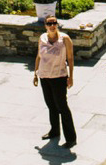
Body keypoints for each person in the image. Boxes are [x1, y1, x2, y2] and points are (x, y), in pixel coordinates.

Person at [33, 16, 77, 149]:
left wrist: (71, 77)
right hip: (44, 76)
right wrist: (35, 74)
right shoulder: (42, 38)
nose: (52, 25)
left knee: (62, 107)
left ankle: (71, 138)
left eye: (54, 23)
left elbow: (70, 58)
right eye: (49, 23)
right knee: (51, 105)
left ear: (57, 24)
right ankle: (54, 131)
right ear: (45, 25)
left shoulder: (65, 39)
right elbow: (39, 56)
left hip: (59, 76)